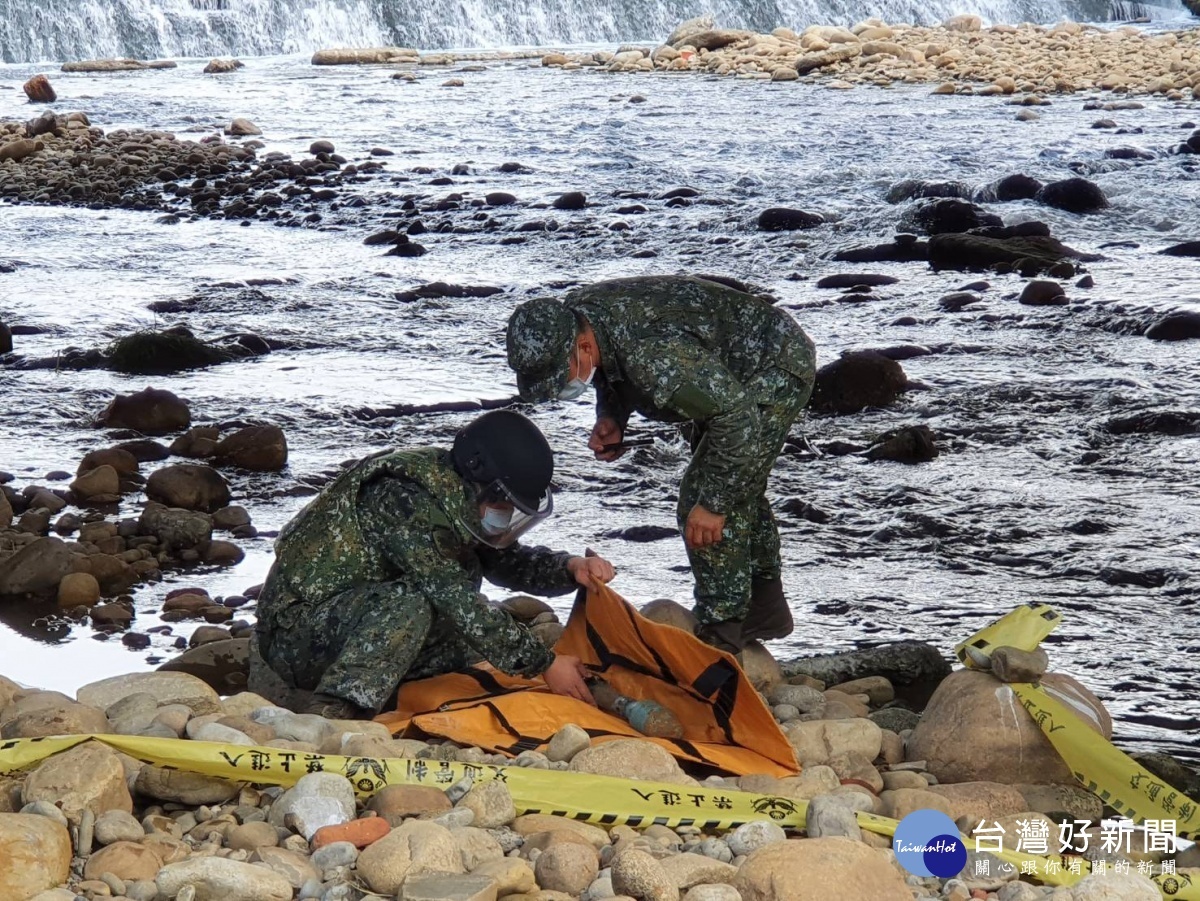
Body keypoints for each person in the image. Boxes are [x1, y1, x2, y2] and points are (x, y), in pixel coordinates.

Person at [505, 275, 815, 656]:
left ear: (582, 347)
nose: (558, 389)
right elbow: (611, 367)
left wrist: (714, 504)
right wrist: (613, 416)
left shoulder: (653, 357)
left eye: (559, 377)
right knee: (739, 483)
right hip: (726, 371)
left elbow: (737, 419)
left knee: (706, 501)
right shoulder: (577, 318)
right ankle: (767, 609)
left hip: (772, 364)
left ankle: (722, 632)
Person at [249, 409, 615, 720]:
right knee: (414, 601)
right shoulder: (402, 498)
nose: (505, 517)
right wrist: (544, 664)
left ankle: (390, 688)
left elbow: (504, 561)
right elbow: (455, 598)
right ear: (478, 476)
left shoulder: (460, 496)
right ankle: (336, 712)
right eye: (504, 505)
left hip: (350, 618)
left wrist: (569, 568)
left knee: (461, 623)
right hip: (296, 633)